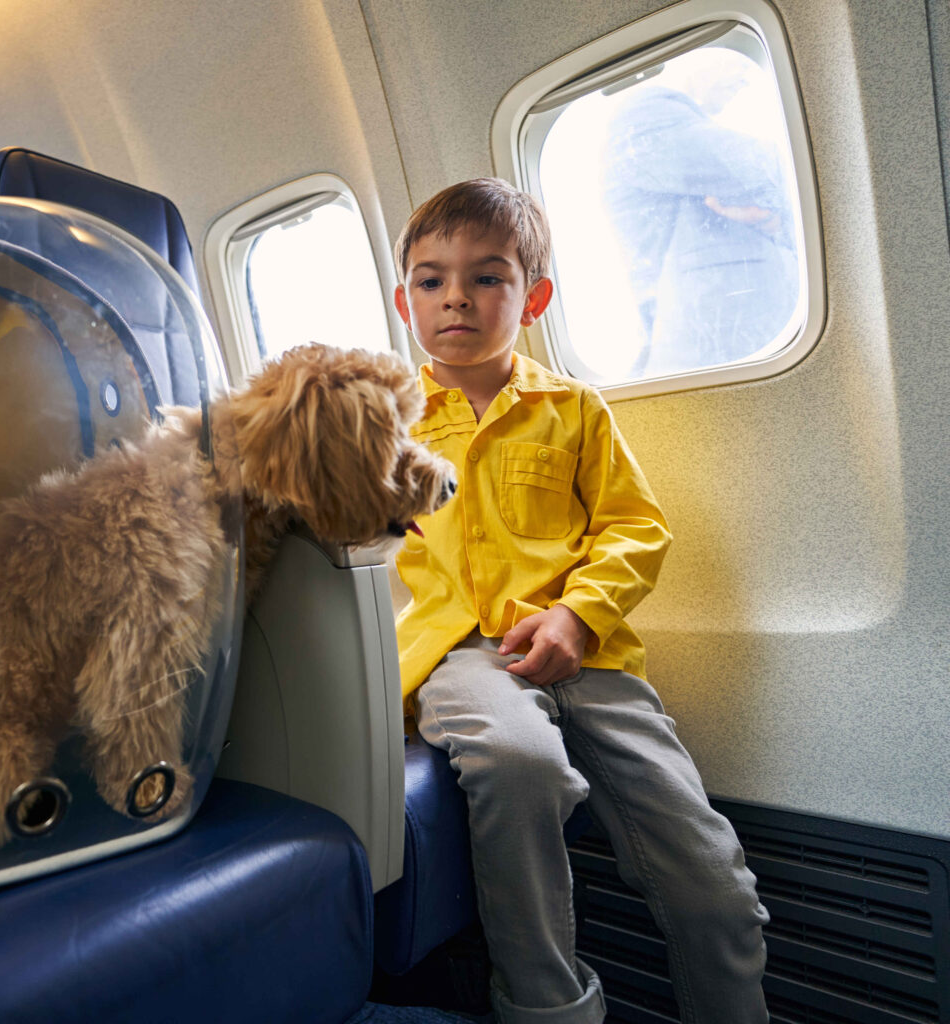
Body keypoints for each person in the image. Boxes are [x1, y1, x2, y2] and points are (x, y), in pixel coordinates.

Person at [390, 177, 769, 1023]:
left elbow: (636, 527)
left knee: (715, 879)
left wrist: (577, 613)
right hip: (463, 658)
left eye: (488, 276)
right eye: (431, 278)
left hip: (587, 656)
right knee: (520, 762)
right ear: (403, 296)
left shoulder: (574, 409)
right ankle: (548, 1006)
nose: (457, 296)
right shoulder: (389, 421)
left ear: (534, 298)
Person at [601, 67, 799, 378]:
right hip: (707, 357)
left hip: (746, 351)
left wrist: (772, 222)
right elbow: (761, 169)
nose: (745, 77)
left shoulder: (690, 132)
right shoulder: (646, 115)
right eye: (738, 65)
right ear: (695, 60)